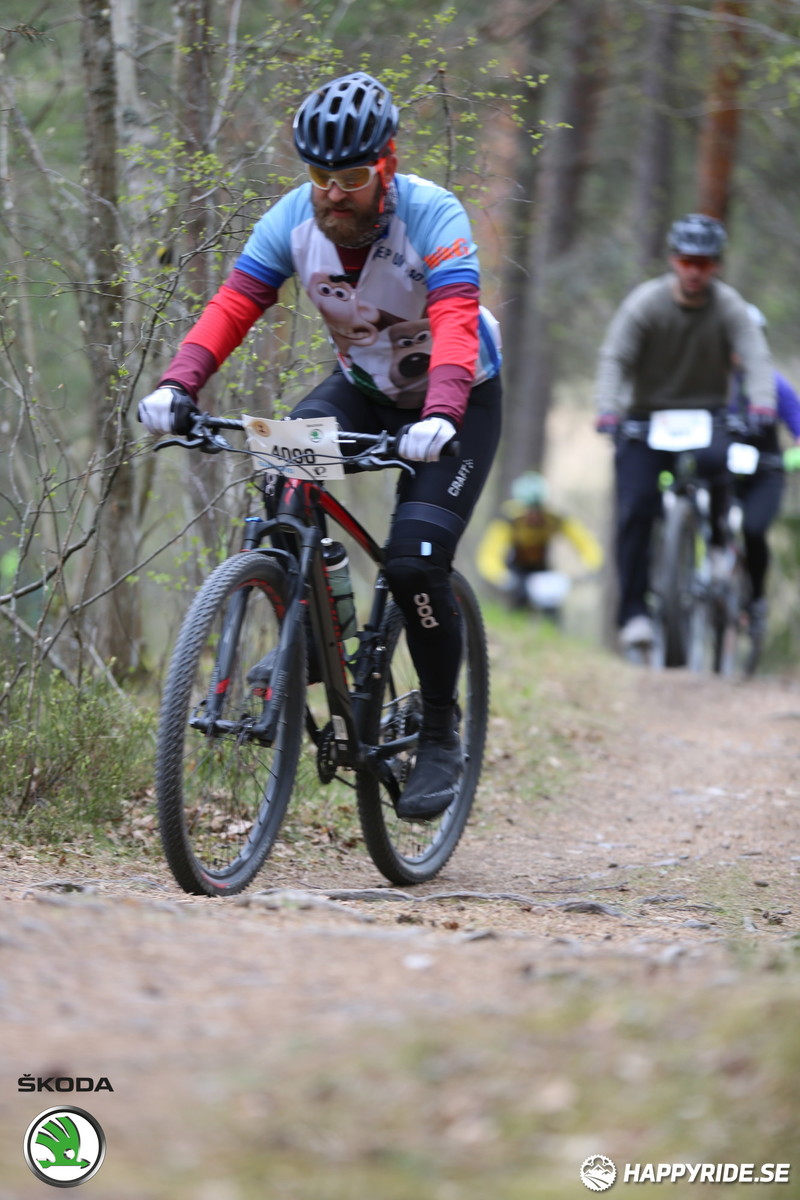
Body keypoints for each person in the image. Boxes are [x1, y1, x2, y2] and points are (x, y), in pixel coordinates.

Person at [136, 72, 503, 820]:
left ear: (387, 166)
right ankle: (312, 630)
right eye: (319, 176)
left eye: (353, 177)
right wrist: (178, 384)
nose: (333, 193)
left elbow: (456, 316)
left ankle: (440, 730)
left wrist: (440, 412)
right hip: (364, 388)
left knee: (413, 561)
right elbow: (234, 304)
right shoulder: (290, 221)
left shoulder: (433, 213)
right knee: (282, 472)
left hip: (457, 399)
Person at [594, 213, 776, 653]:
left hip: (706, 415)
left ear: (716, 266)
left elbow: (756, 356)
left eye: (704, 263)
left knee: (720, 465)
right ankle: (634, 613)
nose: (694, 271)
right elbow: (615, 357)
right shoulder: (645, 303)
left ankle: (717, 545)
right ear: (674, 260)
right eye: (687, 261)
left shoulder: (729, 306)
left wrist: (761, 402)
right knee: (636, 507)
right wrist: (608, 409)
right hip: (645, 417)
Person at [730, 305, 800, 643]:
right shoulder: (712, 383)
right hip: (722, 473)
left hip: (766, 474)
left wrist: (791, 459)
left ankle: (755, 600)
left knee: (753, 529)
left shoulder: (777, 386)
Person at [476, 471, 603, 618]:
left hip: (541, 569)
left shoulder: (554, 519)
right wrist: (502, 577)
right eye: (529, 510)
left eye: (538, 509)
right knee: (519, 605)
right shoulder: (508, 521)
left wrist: (591, 565)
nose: (534, 516)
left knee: (551, 605)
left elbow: (584, 541)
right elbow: (489, 553)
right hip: (516, 571)